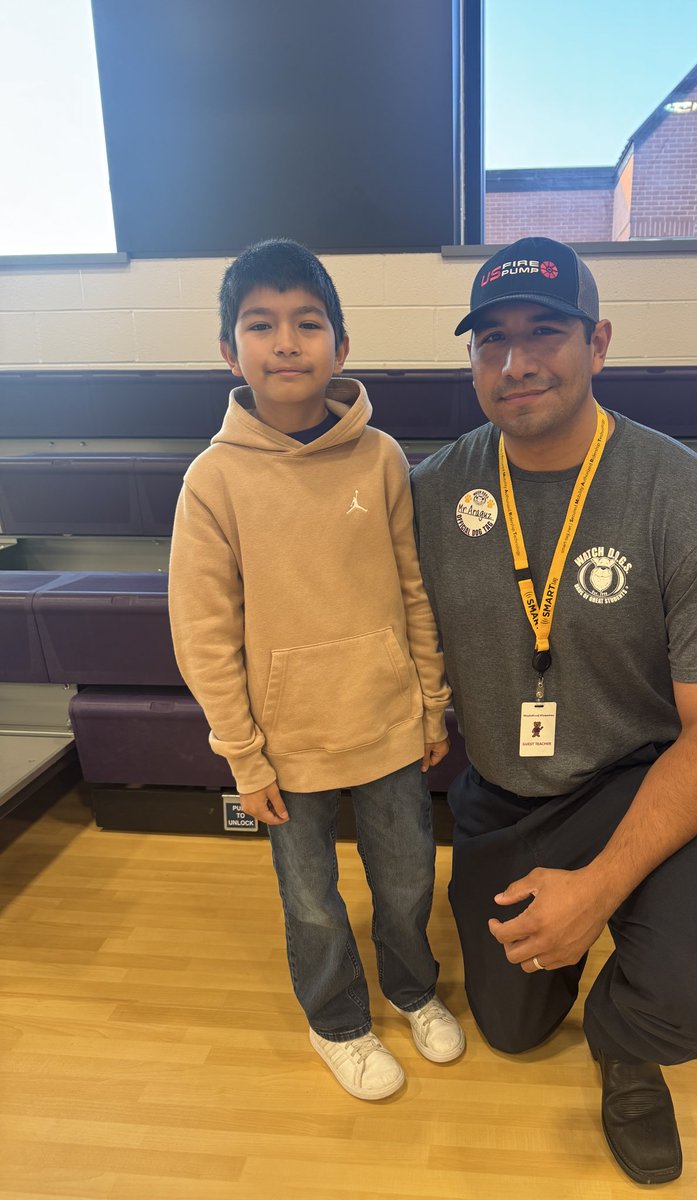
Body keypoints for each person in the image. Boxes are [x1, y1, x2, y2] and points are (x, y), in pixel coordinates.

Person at [411, 236, 697, 1184]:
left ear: (598, 343)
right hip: (502, 790)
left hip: (635, 778)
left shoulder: (692, 506)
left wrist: (600, 888)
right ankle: (561, 944)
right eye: (490, 340)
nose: (516, 362)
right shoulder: (432, 492)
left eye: (545, 333)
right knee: (512, 1030)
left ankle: (625, 1044)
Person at [168, 238, 464, 1102]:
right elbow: (204, 633)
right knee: (310, 899)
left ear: (341, 345)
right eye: (261, 325)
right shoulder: (212, 482)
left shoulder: (381, 458)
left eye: (307, 323)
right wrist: (243, 755)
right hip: (286, 747)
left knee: (408, 877)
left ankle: (411, 990)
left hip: (387, 727)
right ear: (231, 351)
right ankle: (337, 1021)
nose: (286, 341)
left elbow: (415, 591)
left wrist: (430, 704)